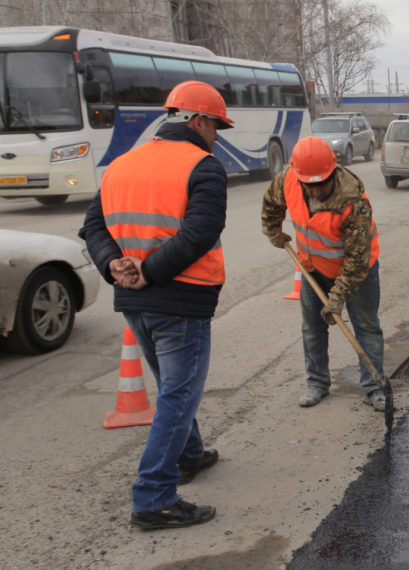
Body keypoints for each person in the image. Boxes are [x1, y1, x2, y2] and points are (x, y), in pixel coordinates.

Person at [79, 80, 232, 529]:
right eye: (216, 126)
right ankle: (153, 498)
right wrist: (149, 271)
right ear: (198, 120)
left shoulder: (122, 165)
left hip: (134, 301)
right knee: (178, 397)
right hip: (180, 300)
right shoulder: (203, 166)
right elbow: (199, 233)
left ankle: (190, 455)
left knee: (171, 385)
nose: (218, 136)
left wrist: (115, 267)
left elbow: (92, 228)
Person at [261, 136, 387, 411]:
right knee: (312, 329)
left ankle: (374, 386)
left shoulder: (354, 202)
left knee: (365, 327)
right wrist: (273, 230)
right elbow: (271, 204)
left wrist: (336, 300)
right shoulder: (288, 181)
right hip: (312, 268)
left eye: (321, 185)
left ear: (333, 171)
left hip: (358, 272)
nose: (316, 192)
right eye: (310, 185)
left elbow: (355, 262)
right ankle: (317, 382)